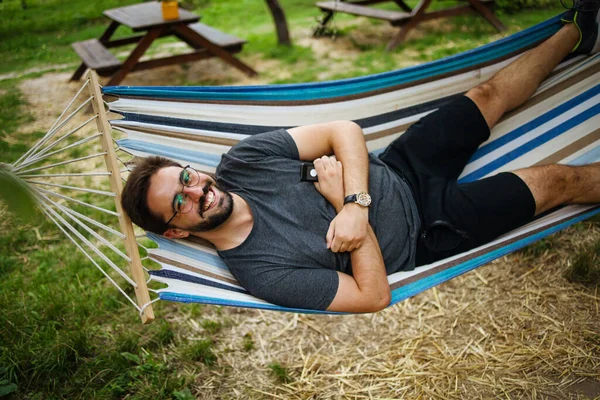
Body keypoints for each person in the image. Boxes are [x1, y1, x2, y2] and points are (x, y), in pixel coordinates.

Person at [121, 2, 600, 312]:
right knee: (556, 182)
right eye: (179, 202)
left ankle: (578, 28)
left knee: (488, 92)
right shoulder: (260, 273)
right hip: (430, 230)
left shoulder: (243, 163)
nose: (195, 189)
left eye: (184, 176)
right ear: (176, 230)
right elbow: (373, 296)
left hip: (398, 164)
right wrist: (353, 225)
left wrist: (353, 202)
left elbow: (342, 130)